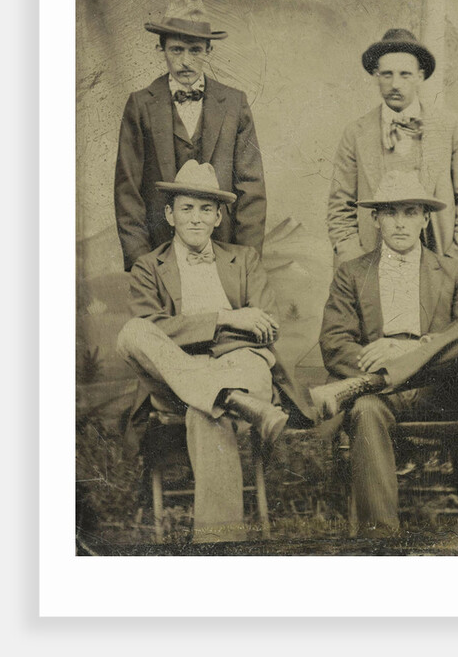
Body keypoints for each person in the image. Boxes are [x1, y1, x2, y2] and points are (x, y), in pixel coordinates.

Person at [117, 160, 317, 543]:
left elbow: (268, 326)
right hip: (177, 376)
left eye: (206, 209)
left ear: (218, 216)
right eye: (187, 208)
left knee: (204, 409)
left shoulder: (244, 260)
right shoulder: (148, 267)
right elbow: (153, 329)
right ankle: (226, 397)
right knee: (132, 332)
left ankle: (218, 546)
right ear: (170, 215)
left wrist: (204, 339)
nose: (196, 218)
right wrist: (228, 318)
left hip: (240, 366)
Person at [314, 170, 458, 537]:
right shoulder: (351, 274)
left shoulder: (455, 272)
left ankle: (386, 375)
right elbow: (334, 344)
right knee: (364, 409)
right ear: (375, 219)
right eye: (390, 212)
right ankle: (380, 537)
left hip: (439, 391)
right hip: (381, 394)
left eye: (410, 212)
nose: (400, 223)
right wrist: (384, 377)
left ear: (425, 219)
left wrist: (408, 350)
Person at [115, 0, 267, 272]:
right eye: (176, 50)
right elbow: (128, 192)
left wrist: (245, 263)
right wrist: (143, 265)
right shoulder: (140, 105)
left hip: (223, 255)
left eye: (195, 50)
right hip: (159, 256)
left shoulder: (235, 104)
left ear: (209, 50)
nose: (186, 61)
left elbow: (251, 189)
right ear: (161, 48)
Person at [327, 28, 458, 272]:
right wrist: (357, 268)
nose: (395, 84)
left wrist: (453, 267)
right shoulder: (356, 133)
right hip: (372, 267)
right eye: (387, 74)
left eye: (405, 75)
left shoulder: (452, 127)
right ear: (376, 76)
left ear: (420, 77)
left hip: (439, 263)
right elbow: (340, 208)